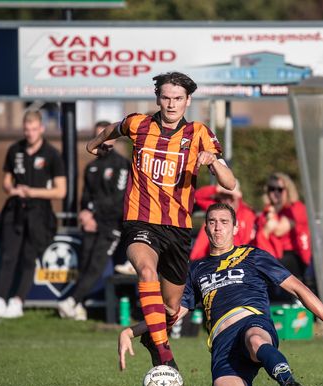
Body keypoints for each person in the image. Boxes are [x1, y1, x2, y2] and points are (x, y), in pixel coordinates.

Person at [119, 203, 323, 386]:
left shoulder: (252, 256)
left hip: (251, 321)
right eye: (212, 222)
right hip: (222, 342)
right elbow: (172, 313)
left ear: (235, 228)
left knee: (255, 341)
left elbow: (298, 288)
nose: (218, 227)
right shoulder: (195, 269)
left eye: (224, 222)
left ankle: (289, 382)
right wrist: (130, 331)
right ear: (206, 228)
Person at [87, 72, 236, 370]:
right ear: (157, 97)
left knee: (171, 309)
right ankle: (164, 352)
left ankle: (150, 338)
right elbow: (110, 131)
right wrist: (93, 144)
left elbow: (230, 183)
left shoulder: (199, 133)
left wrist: (213, 163)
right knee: (146, 271)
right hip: (139, 220)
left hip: (178, 229)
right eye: (166, 97)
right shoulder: (138, 124)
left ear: (188, 100)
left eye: (178, 99)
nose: (171, 104)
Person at [0, 110, 66, 319]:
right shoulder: (15, 150)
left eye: (34, 129)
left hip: (40, 212)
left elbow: (60, 190)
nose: (30, 133)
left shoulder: (52, 154)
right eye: (26, 129)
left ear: (42, 129)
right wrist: (12, 189)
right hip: (16, 210)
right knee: (9, 256)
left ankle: (17, 301)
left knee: (29, 258)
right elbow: (6, 181)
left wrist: (33, 191)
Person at [57, 121, 131, 321]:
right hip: (90, 224)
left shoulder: (122, 165)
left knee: (97, 266)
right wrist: (84, 213)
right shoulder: (91, 166)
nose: (103, 140)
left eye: (107, 135)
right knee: (85, 264)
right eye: (99, 136)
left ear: (114, 138)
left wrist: (95, 215)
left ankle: (72, 300)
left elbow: (118, 198)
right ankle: (79, 306)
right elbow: (86, 196)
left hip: (111, 225)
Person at [253, 173, 312, 301]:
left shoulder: (296, 208)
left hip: (296, 256)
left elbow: (279, 230)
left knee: (275, 267)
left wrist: (269, 224)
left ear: (288, 191)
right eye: (271, 189)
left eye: (279, 189)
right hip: (273, 254)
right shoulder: (267, 212)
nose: (275, 193)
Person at [189, 181, 256, 261]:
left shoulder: (247, 214)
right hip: (208, 259)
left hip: (236, 260)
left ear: (237, 197)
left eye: (230, 197)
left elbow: (245, 242)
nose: (227, 200)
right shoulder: (216, 208)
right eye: (224, 196)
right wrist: (217, 189)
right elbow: (195, 196)